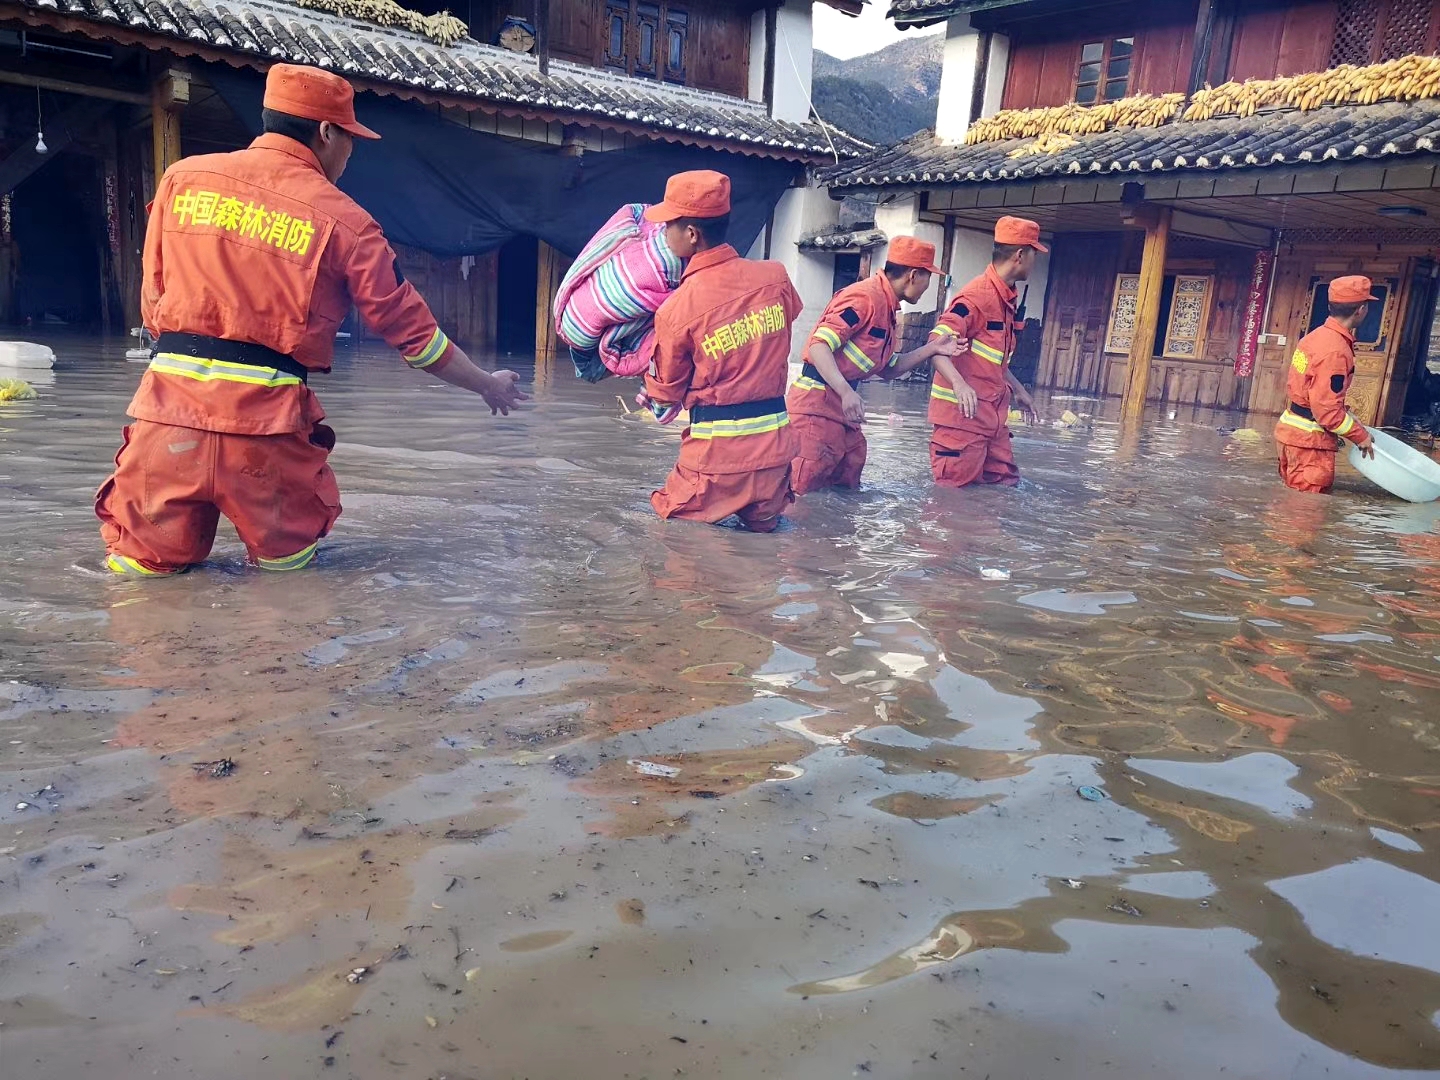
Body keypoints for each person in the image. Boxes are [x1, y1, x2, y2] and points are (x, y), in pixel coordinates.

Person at [96, 64, 525, 575]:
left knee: (137, 578)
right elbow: (416, 338)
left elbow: (153, 300)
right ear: (326, 132)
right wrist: (486, 385)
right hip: (267, 435)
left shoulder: (181, 181)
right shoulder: (347, 221)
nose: (349, 153)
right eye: (350, 140)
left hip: (166, 421)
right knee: (290, 592)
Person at [643, 170, 802, 532]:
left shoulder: (677, 309)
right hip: (775, 457)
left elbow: (666, 395)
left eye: (669, 224)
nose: (663, 232)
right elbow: (781, 324)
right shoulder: (776, 277)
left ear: (692, 234)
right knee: (762, 560)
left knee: (671, 549)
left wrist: (649, 387)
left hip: (715, 464)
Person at [786, 237, 961, 494]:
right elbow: (818, 345)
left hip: (844, 412)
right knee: (801, 492)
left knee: (846, 485)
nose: (927, 286)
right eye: (928, 278)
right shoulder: (864, 297)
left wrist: (932, 348)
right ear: (913, 275)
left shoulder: (887, 309)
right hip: (817, 407)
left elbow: (889, 369)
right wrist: (846, 392)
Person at [927, 216, 1046, 488]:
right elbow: (935, 345)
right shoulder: (977, 296)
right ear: (1020, 255)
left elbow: (992, 362)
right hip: (961, 422)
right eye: (1033, 254)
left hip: (992, 421)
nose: (1034, 262)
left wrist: (1018, 389)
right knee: (953, 502)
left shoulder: (1006, 298)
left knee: (1003, 488)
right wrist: (958, 384)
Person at [1274, 276, 1377, 494]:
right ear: (1360, 310)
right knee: (1306, 515)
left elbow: (1313, 393)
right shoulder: (1336, 350)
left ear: (1330, 305)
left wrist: (1349, 417)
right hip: (1309, 443)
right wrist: (1361, 436)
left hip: (1291, 432)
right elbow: (1326, 412)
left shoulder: (1314, 337)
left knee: (1290, 505)